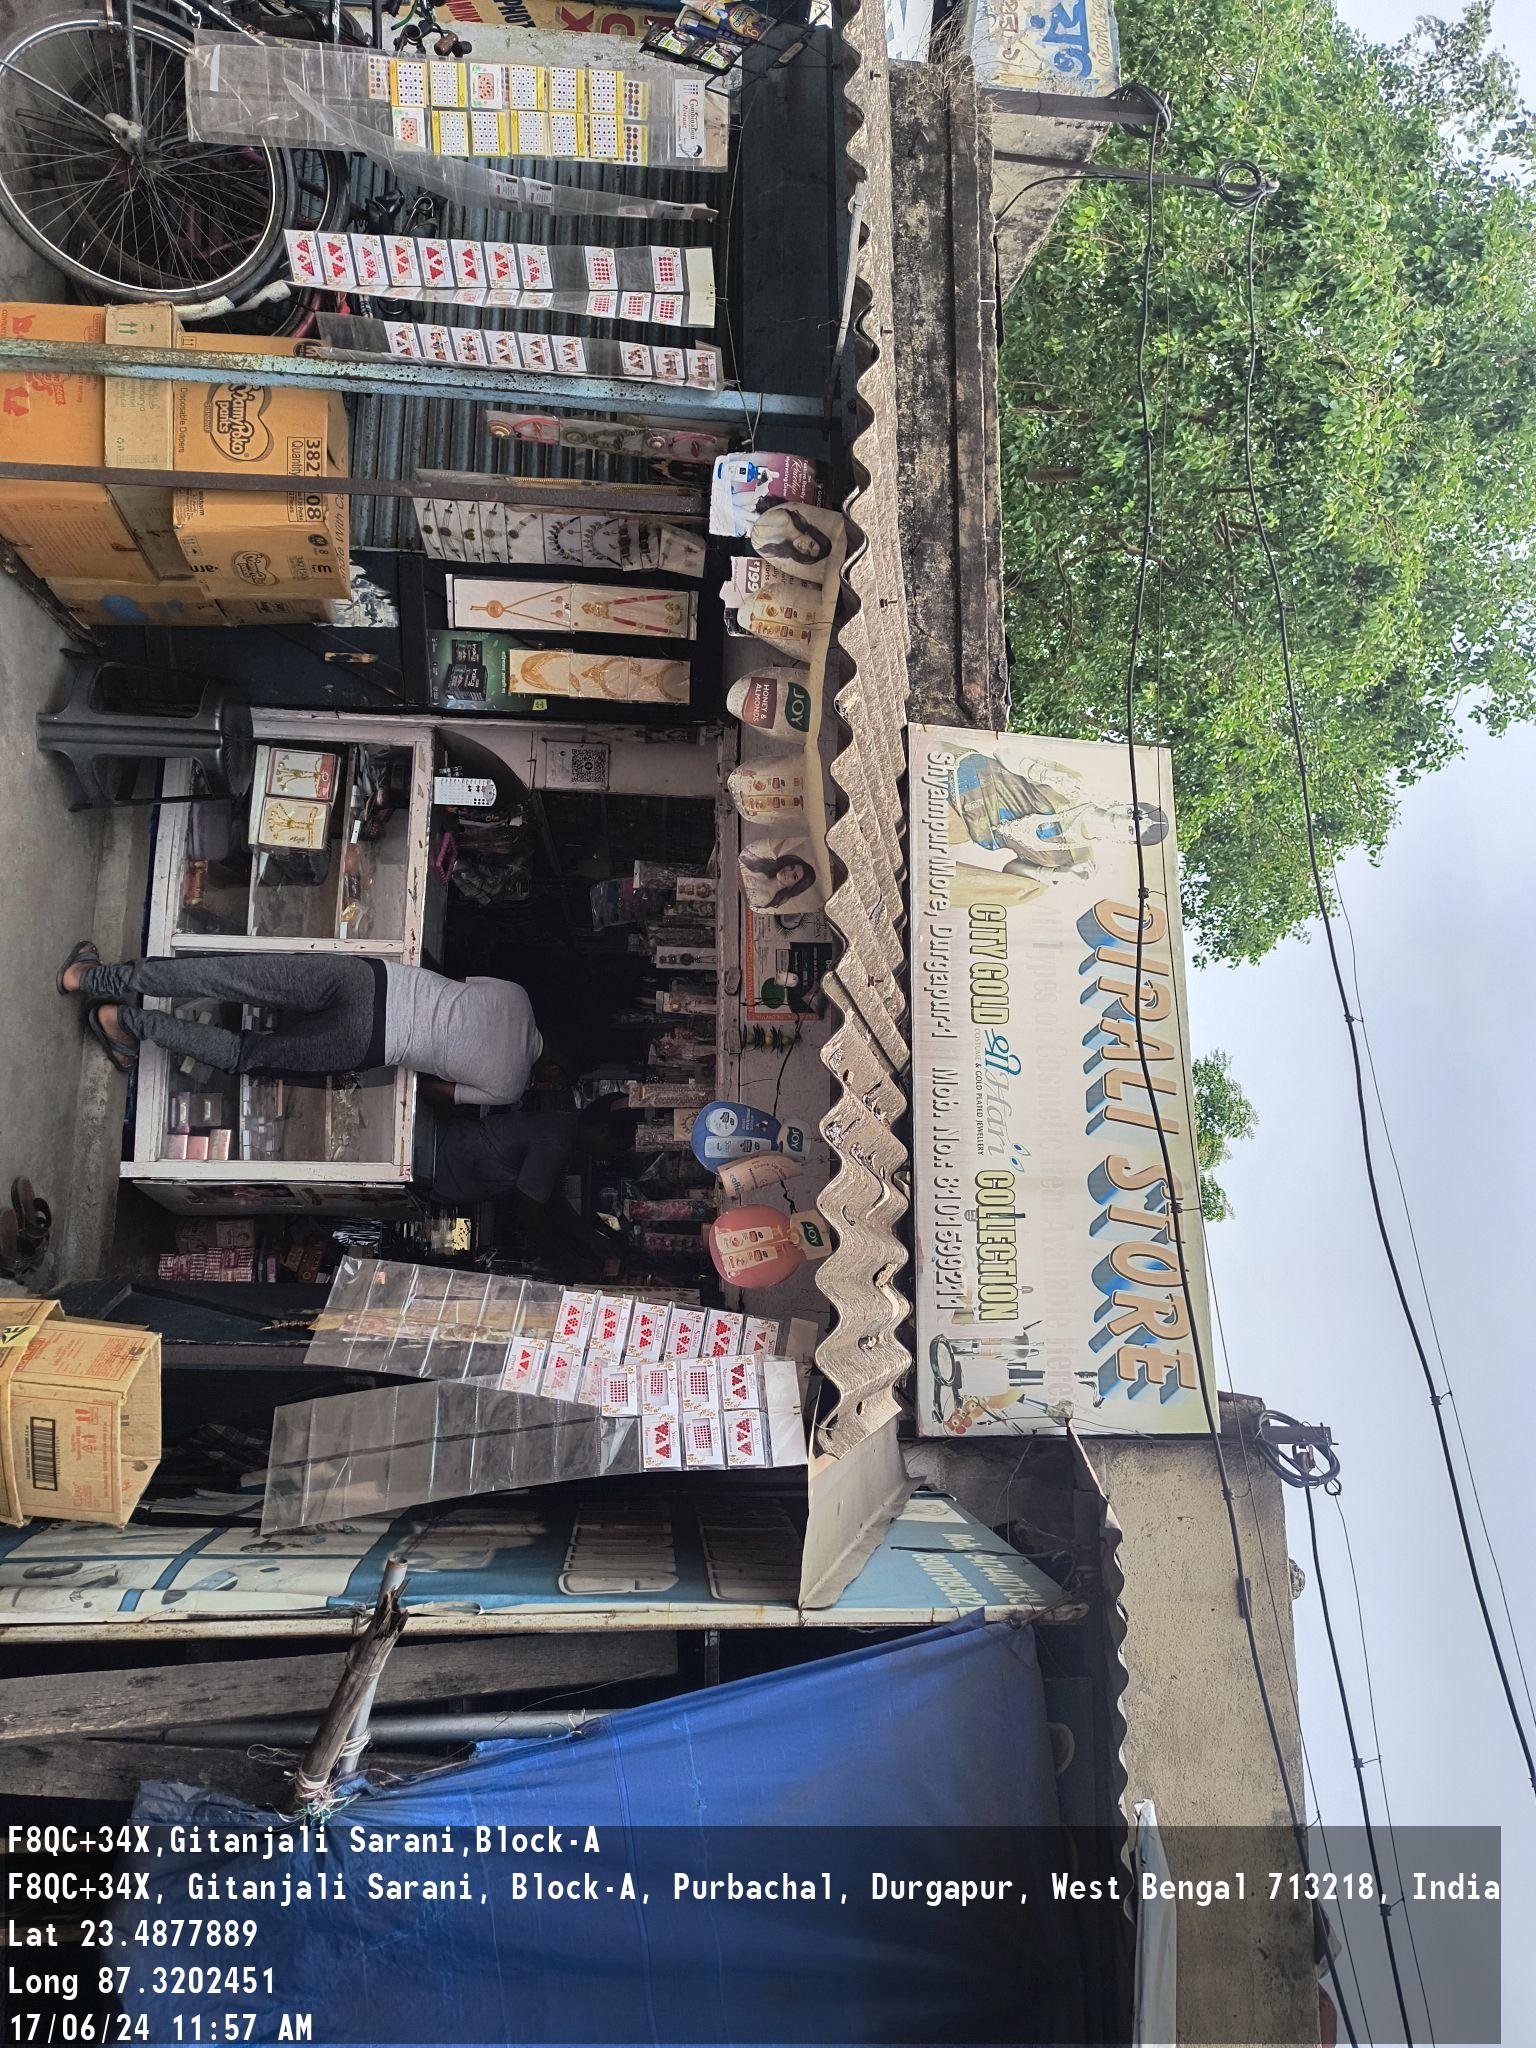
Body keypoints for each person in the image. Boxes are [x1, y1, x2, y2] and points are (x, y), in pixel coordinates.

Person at [57, 942, 543, 1107]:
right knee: (248, 1054)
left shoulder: (518, 995)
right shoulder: (509, 1089)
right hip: (370, 1041)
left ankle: (90, 977)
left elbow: (456, 986)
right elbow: (437, 1090)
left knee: (226, 976)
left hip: (370, 979)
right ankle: (122, 1020)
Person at [428, 1096, 640, 1271]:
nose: (612, 1155)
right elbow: (528, 1210)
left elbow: (551, 1199)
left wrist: (590, 1238)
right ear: (602, 1131)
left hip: (444, 1159)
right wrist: (566, 1261)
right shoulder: (556, 1141)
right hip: (438, 1163)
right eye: (616, 1147)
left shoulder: (564, 1128)